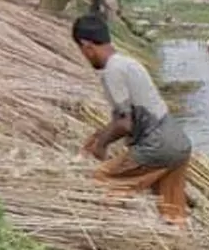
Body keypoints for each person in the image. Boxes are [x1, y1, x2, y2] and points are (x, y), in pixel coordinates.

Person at [72, 13, 192, 227]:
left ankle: (108, 235)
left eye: (82, 51)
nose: (85, 56)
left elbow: (124, 124)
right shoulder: (128, 63)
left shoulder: (112, 71)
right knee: (173, 215)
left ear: (87, 46)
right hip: (178, 143)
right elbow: (129, 118)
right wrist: (97, 136)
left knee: (100, 179)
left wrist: (100, 146)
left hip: (157, 146)